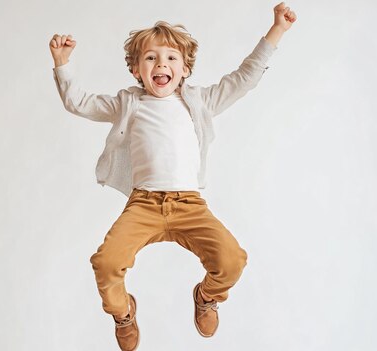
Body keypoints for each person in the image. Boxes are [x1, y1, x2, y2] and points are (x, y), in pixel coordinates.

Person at [49, 3, 296, 350]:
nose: (161, 64)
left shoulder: (201, 101)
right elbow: (80, 102)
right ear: (136, 70)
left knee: (232, 260)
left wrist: (277, 30)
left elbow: (245, 78)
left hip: (189, 205)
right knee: (105, 264)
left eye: (170, 58)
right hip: (144, 205)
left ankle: (206, 297)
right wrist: (62, 64)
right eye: (150, 58)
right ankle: (123, 313)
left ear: (185, 68)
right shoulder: (127, 103)